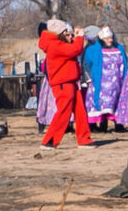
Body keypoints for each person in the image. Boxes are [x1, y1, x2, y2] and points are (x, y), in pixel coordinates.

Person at [37, 19, 91, 148]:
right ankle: (49, 140)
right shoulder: (54, 46)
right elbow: (75, 50)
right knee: (64, 112)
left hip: (70, 82)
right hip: (63, 83)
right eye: (66, 33)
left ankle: (84, 139)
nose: (70, 36)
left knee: (80, 111)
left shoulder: (57, 44)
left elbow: (71, 49)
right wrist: (79, 37)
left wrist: (76, 37)